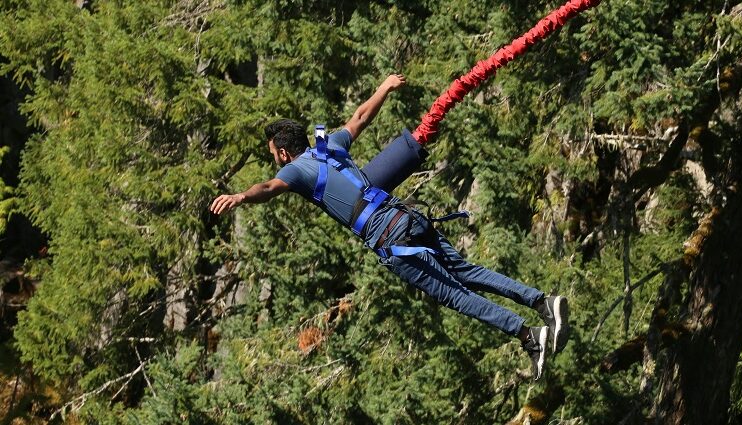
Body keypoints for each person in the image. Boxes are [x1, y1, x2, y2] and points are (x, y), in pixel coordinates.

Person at [210, 74, 570, 380]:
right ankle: (542, 302)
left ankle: (528, 336)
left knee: (454, 295)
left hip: (388, 236)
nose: (275, 161)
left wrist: (242, 196)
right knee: (466, 271)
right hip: (405, 215)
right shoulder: (329, 146)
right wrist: (383, 88)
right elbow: (360, 118)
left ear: (284, 153)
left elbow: (269, 188)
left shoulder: (294, 170)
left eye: (274, 154)